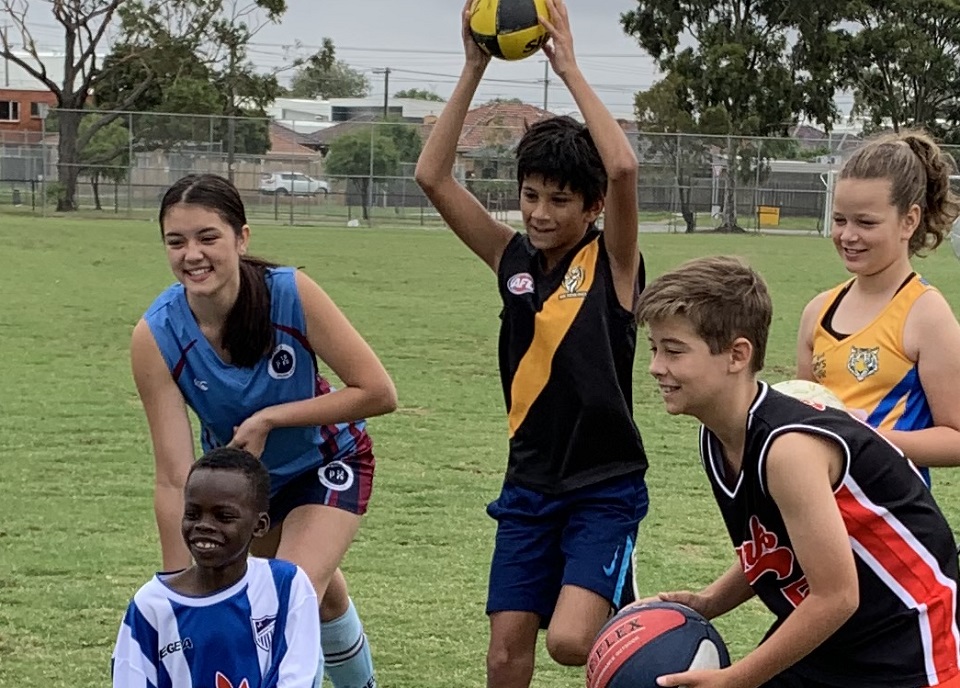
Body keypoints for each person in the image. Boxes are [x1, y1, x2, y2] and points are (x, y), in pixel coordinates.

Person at [415, 1, 649, 685]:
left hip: (604, 486)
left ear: (592, 207)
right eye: (531, 196)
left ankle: (631, 606)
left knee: (572, 644)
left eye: (560, 201)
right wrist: (472, 67)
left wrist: (568, 66)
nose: (541, 214)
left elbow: (626, 170)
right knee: (505, 652)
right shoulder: (510, 259)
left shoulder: (616, 264)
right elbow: (432, 178)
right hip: (528, 483)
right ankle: (613, 594)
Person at [638, 255, 960, 688]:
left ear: (737, 355)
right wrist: (711, 600)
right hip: (833, 634)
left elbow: (837, 596)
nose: (657, 366)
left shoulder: (788, 450)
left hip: (904, 643)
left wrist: (737, 678)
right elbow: (775, 547)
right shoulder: (717, 433)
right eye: (654, 348)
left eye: (674, 351)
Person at [131, 173, 397, 688]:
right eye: (176, 241)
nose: (193, 254)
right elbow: (172, 478)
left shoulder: (289, 293)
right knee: (321, 592)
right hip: (248, 493)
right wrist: (183, 591)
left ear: (241, 238)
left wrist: (270, 418)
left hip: (328, 461)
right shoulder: (156, 334)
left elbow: (377, 392)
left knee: (285, 601)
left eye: (208, 237)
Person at [796, 130, 960, 483]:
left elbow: (957, 439)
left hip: (893, 522)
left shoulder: (927, 315)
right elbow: (803, 419)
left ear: (909, 221)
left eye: (866, 222)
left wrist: (865, 439)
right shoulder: (817, 311)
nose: (848, 235)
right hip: (819, 514)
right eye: (840, 220)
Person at [111, 447, 321, 688]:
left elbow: (297, 677)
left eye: (223, 516)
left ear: (260, 525)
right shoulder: (151, 605)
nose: (204, 525)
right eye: (192, 513)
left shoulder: (287, 585)